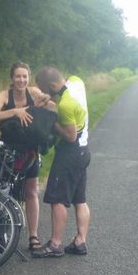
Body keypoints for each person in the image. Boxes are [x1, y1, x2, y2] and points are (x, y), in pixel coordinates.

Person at [0, 61, 53, 251]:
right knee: (3, 190)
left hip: (31, 150)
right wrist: (16, 111)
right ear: (12, 79)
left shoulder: (34, 92)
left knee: (31, 191)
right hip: (9, 150)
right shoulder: (4, 95)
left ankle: (33, 236)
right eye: (18, 76)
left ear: (28, 77)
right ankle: (0, 233)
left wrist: (47, 99)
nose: (21, 80)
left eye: (24, 76)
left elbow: (53, 106)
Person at [32, 66, 91, 258]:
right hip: (84, 151)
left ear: (51, 85)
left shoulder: (65, 105)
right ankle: (80, 241)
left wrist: (51, 120)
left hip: (70, 153)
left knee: (57, 199)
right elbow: (60, 91)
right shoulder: (76, 81)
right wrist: (50, 99)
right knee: (79, 199)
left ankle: (55, 244)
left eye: (43, 89)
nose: (43, 93)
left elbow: (70, 135)